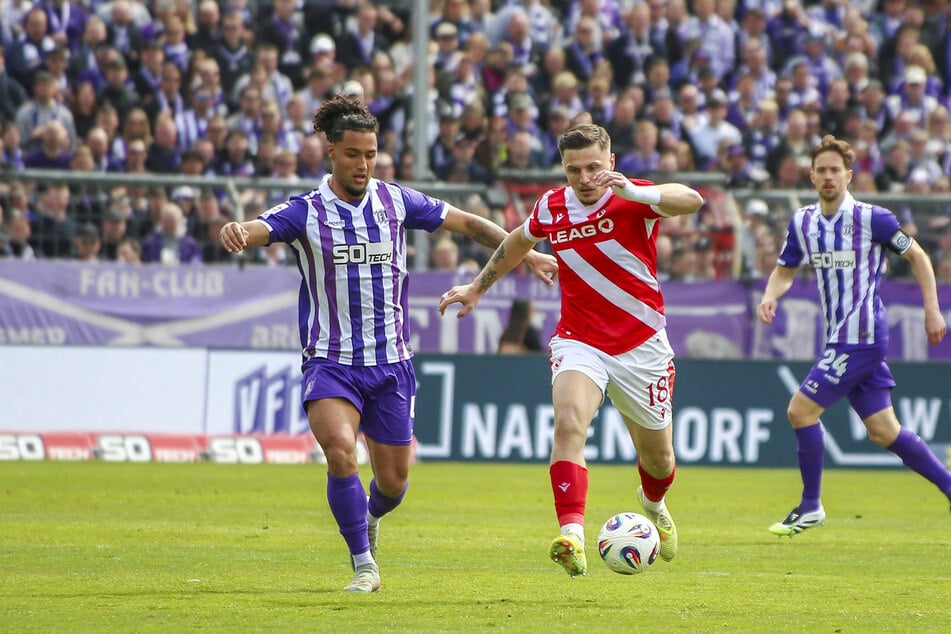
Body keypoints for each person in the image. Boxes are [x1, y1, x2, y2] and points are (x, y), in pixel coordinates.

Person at [218, 95, 557, 593]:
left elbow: (466, 223)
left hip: (391, 364)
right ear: (330, 151)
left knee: (394, 484)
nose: (363, 164)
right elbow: (259, 228)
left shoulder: (396, 201)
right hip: (331, 361)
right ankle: (364, 565)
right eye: (353, 154)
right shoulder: (306, 212)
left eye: (371, 154)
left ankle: (373, 517)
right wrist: (237, 231)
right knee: (339, 452)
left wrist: (524, 255)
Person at [438, 121, 704, 577]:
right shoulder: (551, 206)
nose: (584, 178)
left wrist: (638, 193)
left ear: (611, 163)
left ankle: (652, 503)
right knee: (568, 424)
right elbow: (520, 239)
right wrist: (478, 287)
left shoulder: (632, 197)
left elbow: (692, 200)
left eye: (593, 167)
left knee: (659, 461)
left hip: (643, 347)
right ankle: (572, 536)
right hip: (580, 341)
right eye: (573, 169)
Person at [758, 135, 951, 536]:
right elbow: (785, 268)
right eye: (821, 171)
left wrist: (931, 310)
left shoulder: (872, 218)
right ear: (811, 177)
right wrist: (770, 296)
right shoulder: (804, 222)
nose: (828, 177)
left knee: (800, 410)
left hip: (862, 336)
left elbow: (919, 256)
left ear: (849, 175)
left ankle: (811, 506)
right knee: (885, 431)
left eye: (835, 170)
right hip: (840, 338)